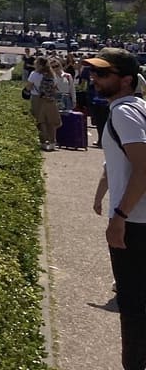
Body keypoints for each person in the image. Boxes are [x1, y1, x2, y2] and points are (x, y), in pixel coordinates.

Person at [87, 48, 146, 370]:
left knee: (134, 306)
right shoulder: (139, 108)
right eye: (94, 73)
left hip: (135, 223)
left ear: (125, 80)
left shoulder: (124, 112)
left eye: (102, 74)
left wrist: (119, 217)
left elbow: (143, 167)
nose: (94, 79)